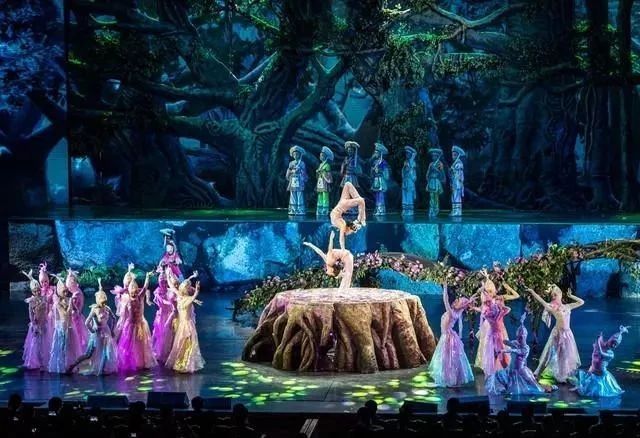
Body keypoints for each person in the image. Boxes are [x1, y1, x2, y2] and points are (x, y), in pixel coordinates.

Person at [528, 284, 583, 382]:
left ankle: (563, 375)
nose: (553, 297)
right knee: (548, 353)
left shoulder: (568, 306)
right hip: (557, 333)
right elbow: (541, 301)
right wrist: (532, 292)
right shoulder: (552, 307)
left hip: (567, 334)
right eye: (552, 295)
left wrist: (571, 296)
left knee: (565, 355)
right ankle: (537, 373)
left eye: (555, 295)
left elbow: (581, 302)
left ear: (560, 295)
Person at [485, 313, 549, 395]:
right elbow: (506, 342)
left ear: (525, 337)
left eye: (521, 337)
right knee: (498, 376)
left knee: (534, 385)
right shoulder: (516, 343)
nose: (519, 338)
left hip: (521, 370)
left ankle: (544, 389)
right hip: (511, 369)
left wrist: (504, 351)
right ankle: (505, 389)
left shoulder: (526, 348)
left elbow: (516, 351)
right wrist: (501, 338)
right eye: (518, 336)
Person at [67, 278, 118, 375]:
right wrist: (92, 330)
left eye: (104, 301)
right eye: (101, 301)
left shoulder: (107, 308)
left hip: (106, 332)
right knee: (88, 354)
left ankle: (102, 369)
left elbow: (114, 318)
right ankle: (73, 366)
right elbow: (87, 322)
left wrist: (112, 330)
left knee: (106, 351)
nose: (103, 303)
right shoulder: (95, 309)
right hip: (97, 334)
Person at [428, 284, 476, 387]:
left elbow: (445, 299)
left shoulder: (451, 313)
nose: (454, 302)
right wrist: (470, 300)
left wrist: (445, 287)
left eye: (457, 302)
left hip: (448, 337)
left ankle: (450, 378)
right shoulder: (457, 312)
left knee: (448, 359)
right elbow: (464, 305)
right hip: (447, 336)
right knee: (448, 359)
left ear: (459, 306)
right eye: (455, 301)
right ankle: (450, 378)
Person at [474, 271, 519, 375]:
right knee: (488, 346)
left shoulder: (500, 297)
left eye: (491, 290)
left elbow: (516, 295)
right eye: (488, 291)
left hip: (499, 326)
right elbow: (482, 310)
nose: (490, 293)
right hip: (489, 326)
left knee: (501, 345)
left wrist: (508, 287)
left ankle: (502, 365)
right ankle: (488, 365)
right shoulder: (487, 301)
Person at [117, 271, 157, 372]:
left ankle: (141, 362)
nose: (134, 294)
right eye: (132, 293)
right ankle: (130, 362)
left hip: (140, 324)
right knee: (130, 343)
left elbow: (145, 287)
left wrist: (147, 277)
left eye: (135, 292)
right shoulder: (127, 299)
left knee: (141, 344)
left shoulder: (140, 296)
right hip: (130, 324)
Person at [572, 325, 628, 397]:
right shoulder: (602, 345)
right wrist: (598, 338)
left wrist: (598, 341)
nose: (613, 346)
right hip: (593, 370)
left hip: (600, 374)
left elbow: (601, 352)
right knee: (585, 384)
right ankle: (579, 388)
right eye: (613, 343)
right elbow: (598, 343)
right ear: (610, 340)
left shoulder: (611, 354)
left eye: (616, 345)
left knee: (597, 391)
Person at [165, 272, 205, 373]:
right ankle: (183, 363)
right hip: (186, 325)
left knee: (183, 343)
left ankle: (183, 362)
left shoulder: (180, 297)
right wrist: (197, 290)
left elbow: (172, 286)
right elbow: (193, 296)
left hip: (183, 324)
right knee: (185, 344)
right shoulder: (185, 298)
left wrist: (168, 276)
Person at [21, 269, 47, 370]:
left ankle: (44, 361)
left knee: (45, 342)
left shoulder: (44, 298)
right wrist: (34, 324)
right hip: (36, 324)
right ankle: (35, 361)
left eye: (38, 290)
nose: (37, 292)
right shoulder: (31, 301)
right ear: (32, 292)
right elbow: (31, 314)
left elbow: (47, 310)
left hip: (44, 323)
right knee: (36, 343)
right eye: (35, 291)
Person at [151, 265, 177, 364]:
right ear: (159, 282)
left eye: (165, 282)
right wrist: (171, 303)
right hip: (162, 316)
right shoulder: (157, 292)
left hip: (170, 315)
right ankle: (162, 354)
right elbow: (162, 302)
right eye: (162, 282)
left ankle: (171, 353)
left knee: (171, 334)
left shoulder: (170, 291)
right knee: (162, 334)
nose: (164, 284)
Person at [330, 181, 366, 251]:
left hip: (342, 205)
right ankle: (361, 218)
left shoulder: (342, 225)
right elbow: (351, 227)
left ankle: (362, 218)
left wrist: (343, 249)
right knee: (347, 184)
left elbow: (341, 238)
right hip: (340, 205)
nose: (354, 224)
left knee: (361, 200)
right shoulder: (342, 223)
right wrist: (356, 225)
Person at [66, 268, 89, 353]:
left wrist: (69, 304)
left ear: (72, 285)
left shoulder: (75, 296)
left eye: (69, 287)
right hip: (79, 315)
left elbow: (74, 308)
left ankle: (77, 350)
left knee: (77, 334)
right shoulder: (79, 291)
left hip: (75, 316)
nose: (69, 289)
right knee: (80, 333)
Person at [286, 145, 307, 215]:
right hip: (293, 180)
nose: (295, 156)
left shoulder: (302, 163)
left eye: (297, 154)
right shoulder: (291, 163)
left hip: (299, 180)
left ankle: (300, 210)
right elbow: (288, 171)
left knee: (299, 194)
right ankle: (293, 209)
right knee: (292, 194)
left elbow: (304, 172)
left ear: (300, 155)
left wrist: (300, 170)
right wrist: (292, 171)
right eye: (294, 154)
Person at [370, 142, 390, 216]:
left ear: (380, 153)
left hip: (381, 180)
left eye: (376, 152)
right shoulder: (375, 162)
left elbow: (386, 172)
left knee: (380, 194)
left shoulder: (383, 162)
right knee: (377, 194)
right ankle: (377, 208)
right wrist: (373, 171)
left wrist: (380, 171)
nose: (375, 154)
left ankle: (381, 209)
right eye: (375, 152)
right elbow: (372, 171)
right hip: (376, 179)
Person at [426, 148, 446, 217]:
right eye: (432, 156)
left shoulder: (440, 164)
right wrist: (428, 176)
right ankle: (431, 209)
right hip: (431, 181)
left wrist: (437, 170)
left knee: (436, 196)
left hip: (436, 181)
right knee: (431, 196)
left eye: (435, 156)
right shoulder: (431, 164)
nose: (433, 157)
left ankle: (436, 209)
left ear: (437, 156)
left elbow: (442, 173)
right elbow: (428, 173)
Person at [316, 146, 334, 216]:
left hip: (325, 181)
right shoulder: (320, 164)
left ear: (326, 157)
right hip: (320, 181)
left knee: (325, 195)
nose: (321, 157)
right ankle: (320, 208)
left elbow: (328, 174)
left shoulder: (327, 165)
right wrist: (318, 172)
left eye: (322, 155)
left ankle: (325, 209)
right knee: (320, 195)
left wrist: (323, 172)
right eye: (320, 155)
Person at [449, 145, 465, 216]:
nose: (453, 156)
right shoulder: (455, 163)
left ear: (458, 155)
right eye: (452, 155)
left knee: (457, 196)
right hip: (454, 182)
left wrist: (453, 170)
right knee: (453, 197)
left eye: (455, 155)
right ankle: (454, 210)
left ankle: (458, 211)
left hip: (457, 183)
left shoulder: (459, 163)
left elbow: (459, 175)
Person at [402, 146, 418, 215]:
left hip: (410, 180)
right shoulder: (405, 162)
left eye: (408, 153)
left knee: (409, 195)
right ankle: (405, 209)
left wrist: (409, 169)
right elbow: (403, 171)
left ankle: (410, 210)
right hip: (405, 180)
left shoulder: (412, 162)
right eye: (406, 153)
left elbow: (412, 172)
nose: (407, 155)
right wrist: (404, 169)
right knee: (405, 195)